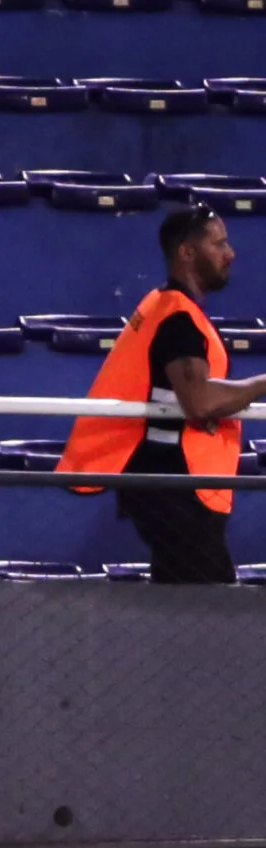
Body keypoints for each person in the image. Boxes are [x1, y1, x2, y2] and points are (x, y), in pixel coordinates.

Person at [59, 206, 266, 583]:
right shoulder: (178, 319)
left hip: (170, 485)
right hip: (175, 487)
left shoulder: (165, 306)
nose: (230, 253)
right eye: (219, 243)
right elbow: (199, 401)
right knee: (209, 607)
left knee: (183, 603)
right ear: (187, 252)